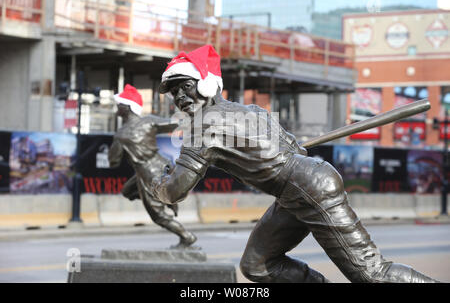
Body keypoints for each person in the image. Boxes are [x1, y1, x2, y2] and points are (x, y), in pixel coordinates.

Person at [150, 44, 439, 283]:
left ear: (206, 85)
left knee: (373, 275)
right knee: (257, 264)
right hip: (297, 187)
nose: (179, 97)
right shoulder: (249, 111)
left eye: (185, 86)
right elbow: (294, 148)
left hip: (305, 186)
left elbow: (175, 190)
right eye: (173, 92)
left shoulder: (199, 126)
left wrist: (156, 184)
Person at [109, 84, 198, 249]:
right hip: (163, 165)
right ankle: (163, 199)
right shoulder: (149, 121)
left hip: (147, 174)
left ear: (126, 107)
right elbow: (174, 124)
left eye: (118, 105)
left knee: (158, 217)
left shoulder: (120, 135)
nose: (116, 109)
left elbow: (113, 162)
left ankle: (187, 237)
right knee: (127, 191)